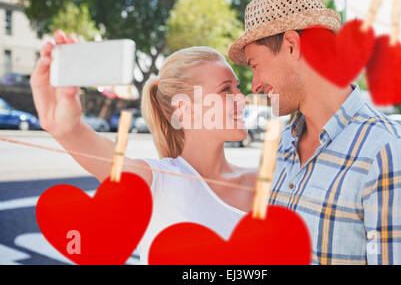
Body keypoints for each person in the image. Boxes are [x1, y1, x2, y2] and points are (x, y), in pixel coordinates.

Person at [228, 0, 401, 265]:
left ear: (292, 45)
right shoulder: (283, 146)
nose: (255, 84)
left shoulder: (388, 154)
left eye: (255, 65)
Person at [31, 30, 258, 264]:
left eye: (238, 87)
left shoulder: (263, 181)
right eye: (226, 89)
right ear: (184, 108)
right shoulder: (157, 182)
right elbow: (97, 152)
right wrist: (67, 128)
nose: (242, 98)